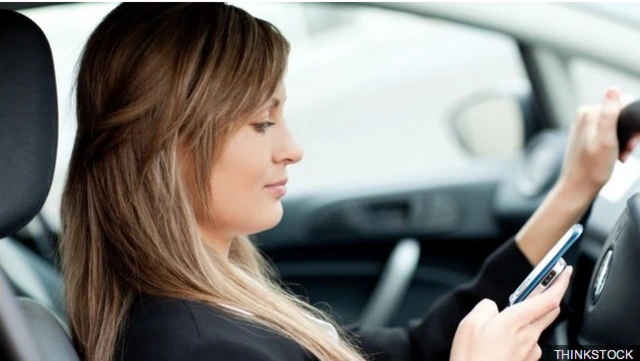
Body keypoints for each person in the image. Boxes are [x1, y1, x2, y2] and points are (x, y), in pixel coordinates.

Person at [59, 3, 637, 361]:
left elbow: (415, 350)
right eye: (263, 122)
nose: (292, 148)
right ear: (170, 147)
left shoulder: (222, 313)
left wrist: (574, 189)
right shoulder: (200, 347)